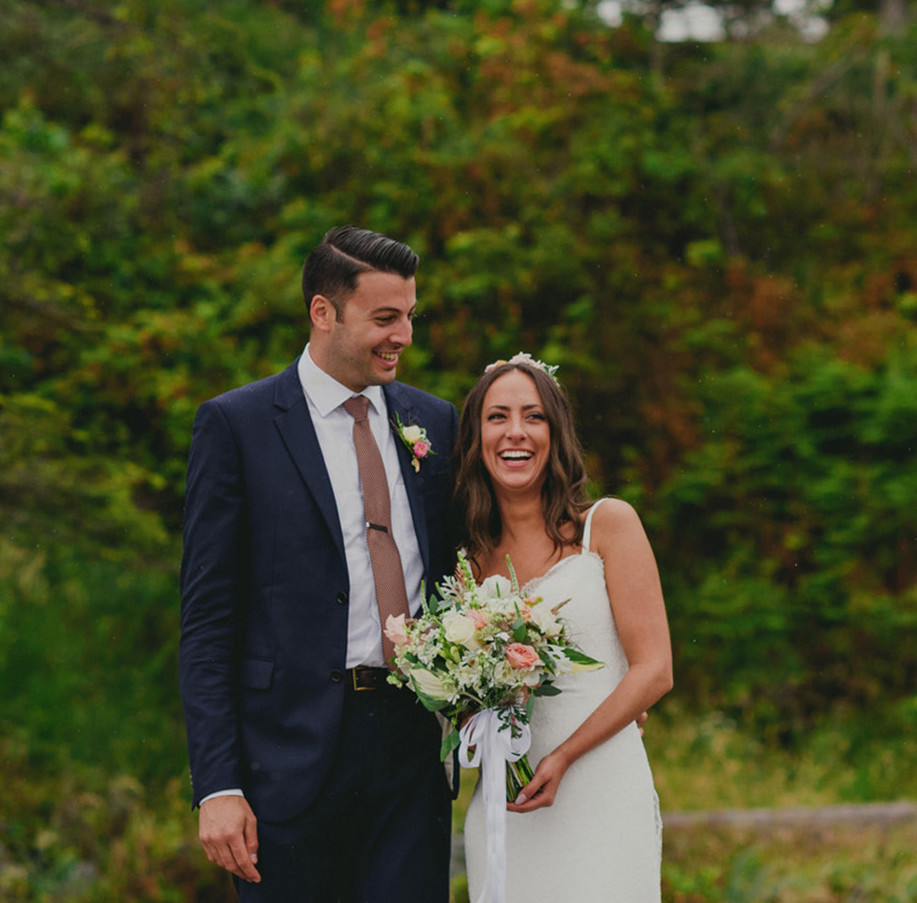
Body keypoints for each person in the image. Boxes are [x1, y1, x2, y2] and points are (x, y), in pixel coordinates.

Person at [178, 225, 457, 903]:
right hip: (287, 760)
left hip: (411, 753)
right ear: (323, 312)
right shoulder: (236, 425)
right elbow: (208, 620)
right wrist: (218, 784)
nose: (403, 336)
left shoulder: (436, 422)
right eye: (385, 318)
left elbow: (473, 566)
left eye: (410, 317)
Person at [457, 354, 673, 902]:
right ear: (477, 436)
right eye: (497, 416)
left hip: (599, 784)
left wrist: (564, 756)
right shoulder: (466, 559)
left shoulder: (608, 525)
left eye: (534, 417)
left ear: (556, 433)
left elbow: (654, 671)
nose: (516, 432)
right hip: (508, 803)